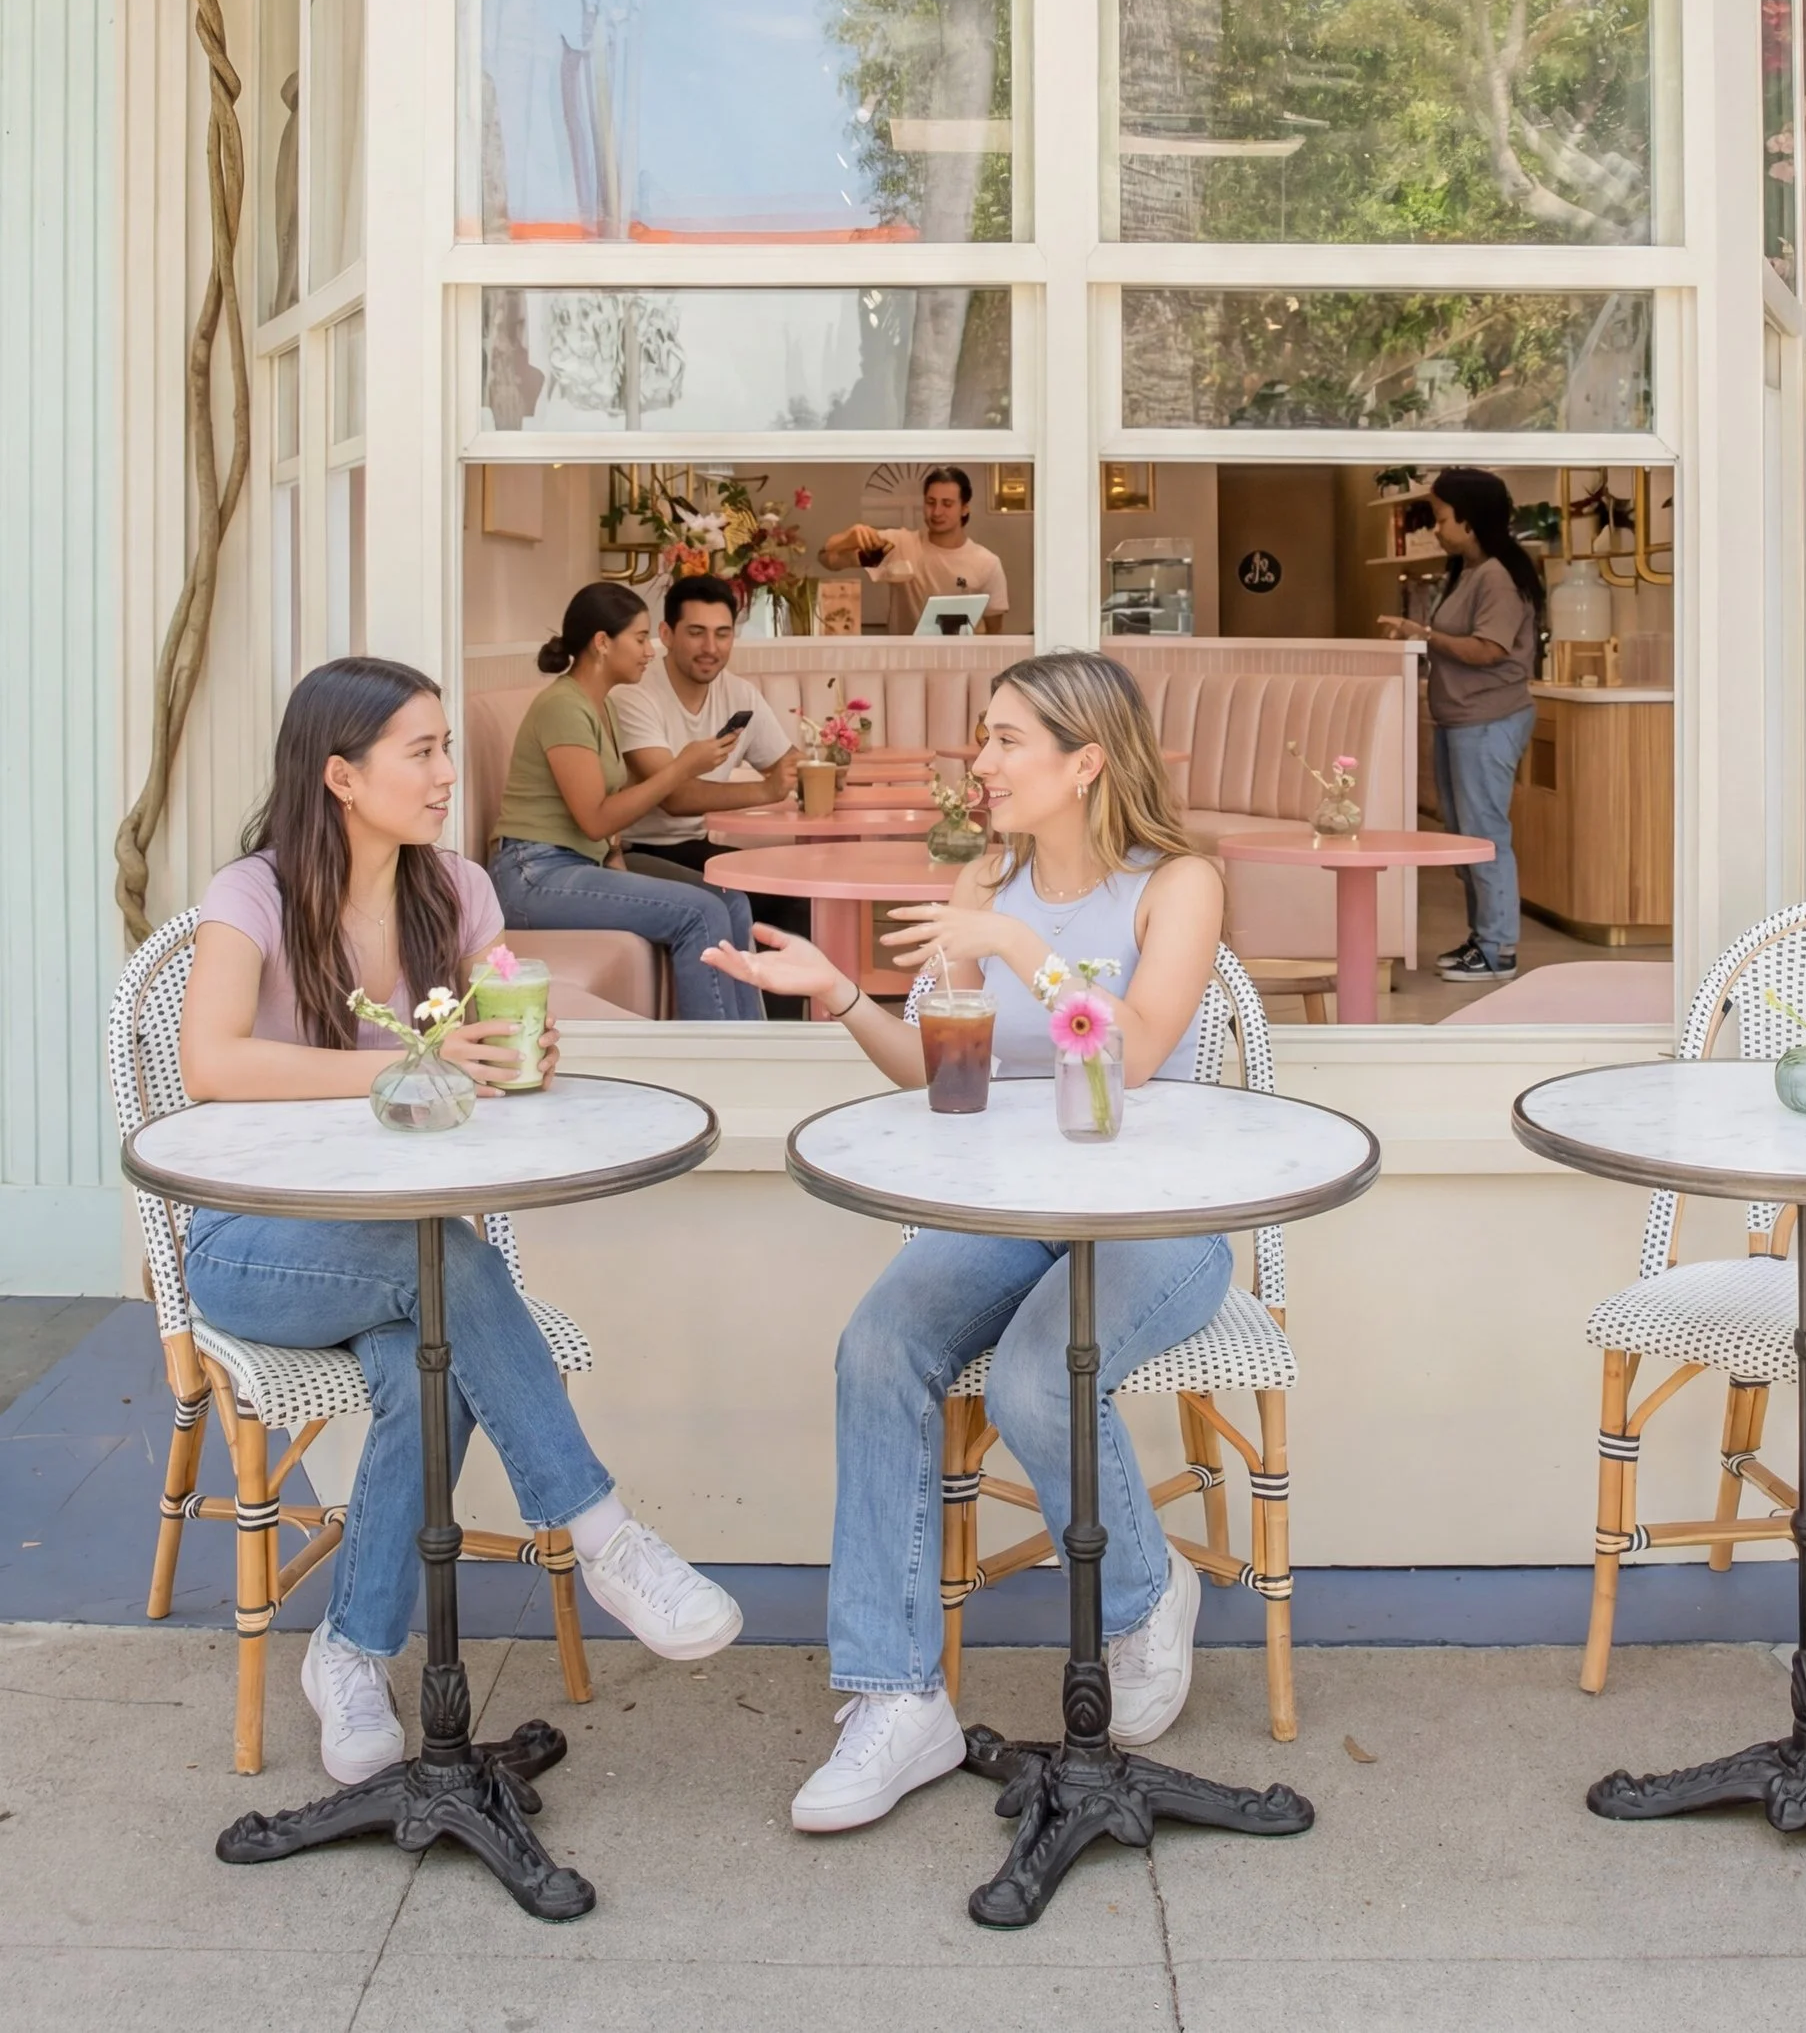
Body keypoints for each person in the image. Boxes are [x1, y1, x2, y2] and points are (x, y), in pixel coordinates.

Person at [178, 657, 745, 1787]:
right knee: (452, 1264)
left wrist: (524, 1050)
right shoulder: (253, 892)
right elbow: (211, 1062)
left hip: (405, 1247)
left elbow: (500, 1045)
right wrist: (404, 1064)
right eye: (422, 752)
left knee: (430, 1356)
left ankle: (348, 1654)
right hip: (256, 1246)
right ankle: (605, 1536)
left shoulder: (459, 892)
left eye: (447, 747)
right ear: (340, 775)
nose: (447, 774)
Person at [701, 650, 1228, 1835]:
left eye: (1003, 740)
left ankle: (1147, 1597)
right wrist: (840, 992)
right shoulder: (989, 875)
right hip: (1012, 1220)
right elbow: (940, 1064)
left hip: (1163, 1225)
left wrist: (1007, 941)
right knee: (879, 1345)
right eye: (983, 739)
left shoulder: (1173, 884)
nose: (978, 763)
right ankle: (897, 1701)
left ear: (1083, 762)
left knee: (1046, 1376)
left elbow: (1131, 1054)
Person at [487, 583, 764, 1019]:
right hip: (533, 874)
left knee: (729, 897)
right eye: (639, 638)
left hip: (580, 864)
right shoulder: (562, 707)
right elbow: (595, 818)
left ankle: (752, 1044)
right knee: (700, 912)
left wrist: (616, 860)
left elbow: (607, 813)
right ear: (602, 643)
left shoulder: (602, 707)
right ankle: (717, 1056)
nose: (649, 651)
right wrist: (682, 767)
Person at [1377, 466, 1543, 983]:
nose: (1438, 529)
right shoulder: (1470, 572)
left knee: (1485, 835)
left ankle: (1499, 949)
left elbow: (1489, 649)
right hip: (1460, 721)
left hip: (1488, 721)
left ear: (1469, 522)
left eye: (1443, 518)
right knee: (1466, 835)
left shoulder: (1496, 575)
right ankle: (1483, 939)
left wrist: (1421, 633)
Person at [609, 571, 798, 879]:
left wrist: (825, 768)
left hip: (698, 845)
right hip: (637, 853)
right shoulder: (633, 694)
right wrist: (767, 791)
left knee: (795, 888)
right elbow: (674, 797)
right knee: (758, 897)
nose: (711, 647)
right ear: (667, 634)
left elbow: (788, 763)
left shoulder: (739, 693)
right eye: (696, 633)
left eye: (722, 634)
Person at [817, 466, 1011, 632]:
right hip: (904, 663)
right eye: (930, 502)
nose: (936, 512)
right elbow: (828, 560)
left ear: (964, 508)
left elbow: (994, 633)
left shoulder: (987, 563)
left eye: (947, 504)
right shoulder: (897, 546)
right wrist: (847, 538)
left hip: (958, 665)